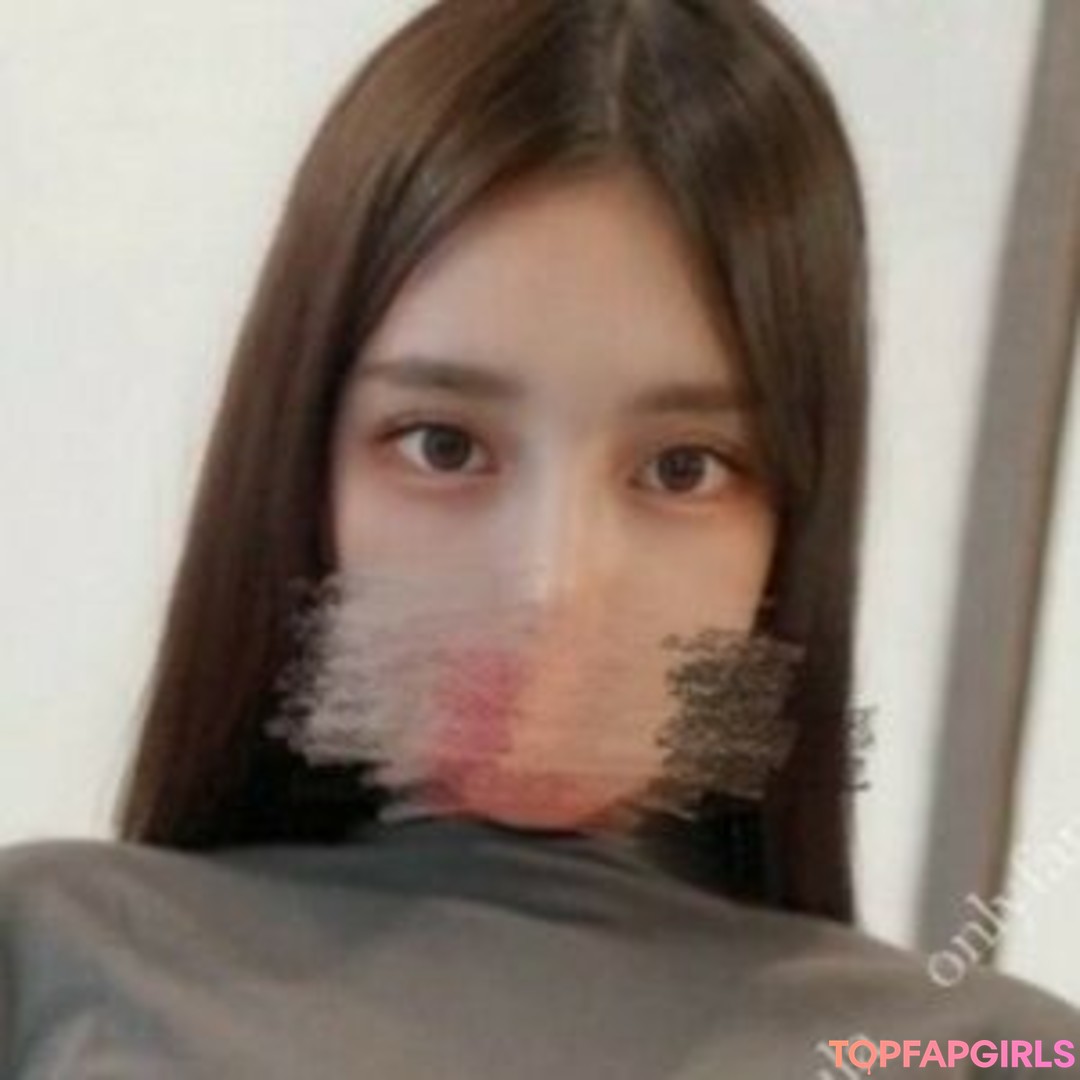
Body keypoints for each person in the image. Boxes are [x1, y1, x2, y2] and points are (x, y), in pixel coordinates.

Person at [2, 1, 1077, 1077]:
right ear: (301, 466)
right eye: (444, 447)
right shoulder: (48, 956)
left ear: (792, 528)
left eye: (682, 468)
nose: (550, 583)